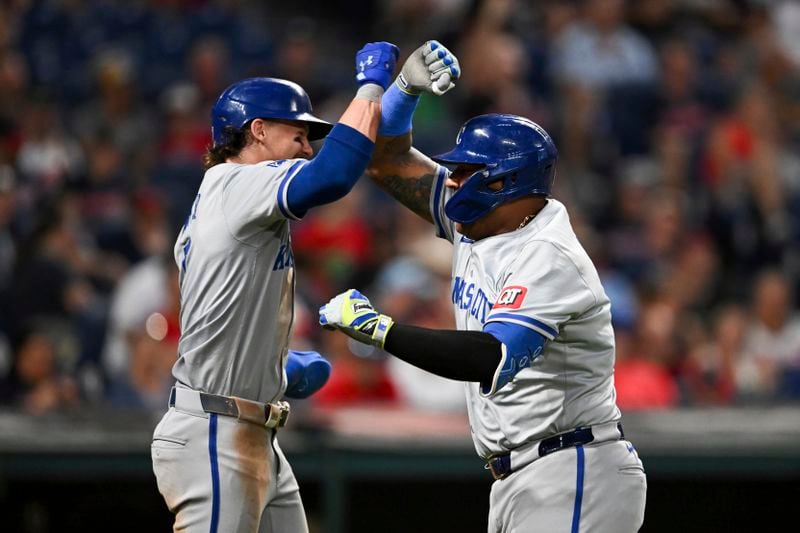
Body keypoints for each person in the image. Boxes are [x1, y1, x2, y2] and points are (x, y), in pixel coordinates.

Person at [319, 41, 647, 532]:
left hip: (575, 467)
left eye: (467, 171)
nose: (451, 180)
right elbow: (384, 162)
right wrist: (404, 90)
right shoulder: (479, 224)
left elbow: (486, 358)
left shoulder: (549, 255)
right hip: (522, 475)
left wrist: (381, 330)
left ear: (505, 182)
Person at [150, 41, 399, 533]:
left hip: (247, 428)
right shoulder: (240, 183)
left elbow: (220, 318)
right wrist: (374, 86)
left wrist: (274, 371)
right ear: (257, 131)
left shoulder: (228, 198)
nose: (308, 147)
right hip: (215, 435)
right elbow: (334, 175)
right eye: (298, 134)